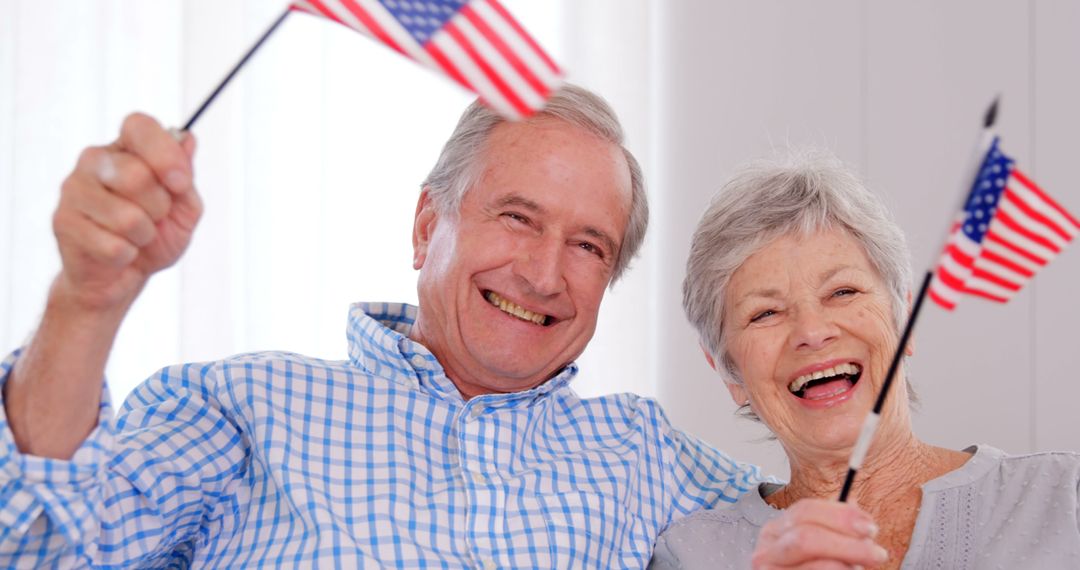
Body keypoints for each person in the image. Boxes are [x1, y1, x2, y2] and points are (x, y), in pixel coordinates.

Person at [0, 84, 762, 567]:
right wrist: (87, 299)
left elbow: (849, 516)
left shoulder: (647, 457)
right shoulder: (244, 404)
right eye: (516, 218)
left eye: (588, 245)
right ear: (428, 226)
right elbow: (36, 546)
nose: (543, 273)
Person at [649, 151, 1080, 569]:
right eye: (765, 313)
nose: (812, 332)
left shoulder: (1064, 497)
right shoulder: (691, 554)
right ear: (730, 373)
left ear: (902, 320)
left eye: (843, 292)